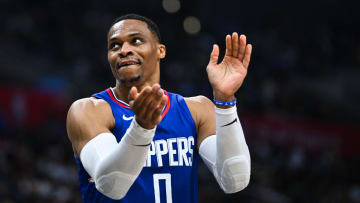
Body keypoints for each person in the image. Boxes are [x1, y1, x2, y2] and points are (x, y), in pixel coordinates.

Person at [66, 13, 252, 203]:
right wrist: (142, 129)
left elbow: (235, 180)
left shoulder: (197, 109)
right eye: (115, 46)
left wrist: (225, 101)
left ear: (160, 51)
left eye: (136, 41)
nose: (124, 50)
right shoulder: (88, 111)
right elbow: (111, 185)